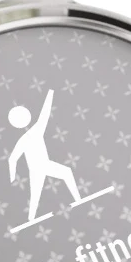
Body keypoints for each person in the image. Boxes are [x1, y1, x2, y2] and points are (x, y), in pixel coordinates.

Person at [7, 89, 80, 221]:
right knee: (38, 192)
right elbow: (44, 114)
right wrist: (50, 93)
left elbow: (12, 160)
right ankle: (78, 200)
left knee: (37, 193)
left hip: (39, 167)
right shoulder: (35, 131)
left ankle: (31, 218)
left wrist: (13, 177)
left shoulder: (25, 138)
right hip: (41, 167)